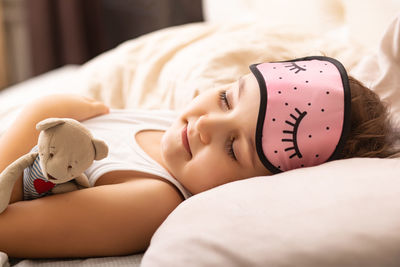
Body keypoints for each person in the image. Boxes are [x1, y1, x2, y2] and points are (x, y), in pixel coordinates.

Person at [0, 56, 398, 258]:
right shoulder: (164, 122)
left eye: (233, 147)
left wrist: (39, 111)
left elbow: (7, 228)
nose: (206, 125)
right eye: (227, 99)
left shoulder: (149, 200)